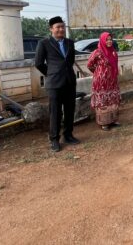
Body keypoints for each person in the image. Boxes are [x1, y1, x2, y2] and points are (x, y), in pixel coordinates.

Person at [35, 16, 79, 152]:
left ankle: (68, 135)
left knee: (70, 110)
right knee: (55, 112)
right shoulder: (44, 43)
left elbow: (70, 61)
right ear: (51, 29)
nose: (61, 29)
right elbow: (38, 63)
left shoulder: (70, 42)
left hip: (69, 81)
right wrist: (51, 73)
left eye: (62, 26)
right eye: (57, 27)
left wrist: (66, 73)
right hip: (54, 83)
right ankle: (54, 139)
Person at [87, 32, 121, 131]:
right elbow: (89, 65)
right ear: (102, 40)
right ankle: (104, 123)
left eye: (110, 39)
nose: (109, 41)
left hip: (112, 81)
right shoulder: (97, 52)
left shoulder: (113, 52)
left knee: (112, 100)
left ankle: (113, 120)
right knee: (103, 102)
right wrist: (98, 72)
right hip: (101, 83)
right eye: (107, 39)